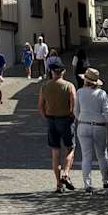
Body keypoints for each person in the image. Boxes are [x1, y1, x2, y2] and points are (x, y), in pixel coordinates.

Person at [38, 58, 77, 192]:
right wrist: (72, 115)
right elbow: (74, 104)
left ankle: (58, 184)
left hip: (51, 120)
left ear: (51, 72)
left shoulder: (45, 87)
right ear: (63, 71)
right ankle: (66, 173)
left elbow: (40, 106)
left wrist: (46, 116)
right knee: (70, 148)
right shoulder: (69, 86)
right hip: (66, 120)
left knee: (55, 152)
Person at [74, 67, 108, 192]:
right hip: (99, 126)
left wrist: (82, 119)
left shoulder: (80, 92)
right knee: (102, 155)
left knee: (86, 156)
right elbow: (107, 113)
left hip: (83, 125)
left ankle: (87, 184)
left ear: (85, 80)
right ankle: (106, 181)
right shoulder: (101, 93)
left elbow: (76, 111)